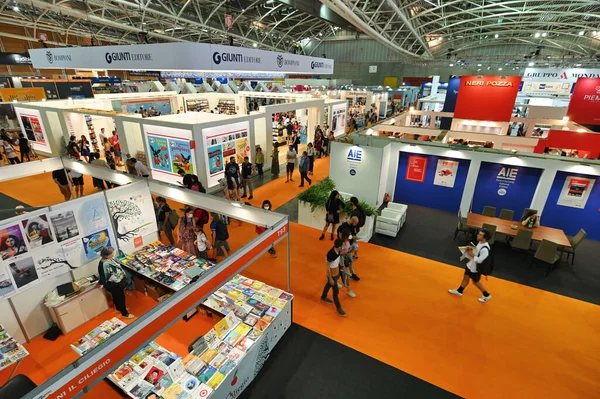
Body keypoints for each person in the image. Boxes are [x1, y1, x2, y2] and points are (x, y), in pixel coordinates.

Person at [448, 229, 493, 303]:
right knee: (466, 277)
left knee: (476, 282)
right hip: (470, 265)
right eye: (479, 234)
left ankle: (486, 295)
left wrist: (472, 254)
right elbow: (476, 253)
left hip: (475, 269)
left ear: (484, 238)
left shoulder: (485, 249)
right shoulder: (480, 243)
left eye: (480, 235)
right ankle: (460, 291)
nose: (478, 235)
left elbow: (480, 261)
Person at [98, 246, 135, 319]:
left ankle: (119, 308)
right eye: (112, 253)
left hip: (115, 283)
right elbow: (103, 276)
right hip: (113, 284)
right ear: (108, 255)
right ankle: (125, 314)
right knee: (120, 297)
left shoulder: (107, 260)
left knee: (116, 297)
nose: (113, 253)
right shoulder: (104, 264)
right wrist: (100, 283)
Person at [320, 238, 346, 316]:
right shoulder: (331, 254)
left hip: (336, 271)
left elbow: (338, 258)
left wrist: (341, 265)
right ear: (339, 247)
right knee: (335, 292)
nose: (344, 246)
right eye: (343, 245)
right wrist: (330, 278)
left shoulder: (338, 251)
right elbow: (327, 267)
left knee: (329, 284)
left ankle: (323, 297)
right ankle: (339, 308)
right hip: (331, 273)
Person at [337, 216, 360, 282]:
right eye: (355, 223)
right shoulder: (343, 227)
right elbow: (340, 234)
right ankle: (340, 279)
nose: (355, 225)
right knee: (343, 265)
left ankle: (352, 274)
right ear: (353, 222)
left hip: (348, 248)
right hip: (343, 249)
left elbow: (351, 235)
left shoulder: (352, 227)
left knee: (350, 262)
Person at [349, 197, 364, 261]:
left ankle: (354, 255)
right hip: (356, 229)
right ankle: (355, 254)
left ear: (352, 202)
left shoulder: (355, 212)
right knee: (354, 241)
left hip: (354, 229)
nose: (349, 202)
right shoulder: (358, 210)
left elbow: (354, 223)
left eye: (350, 201)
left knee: (352, 241)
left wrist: (354, 232)